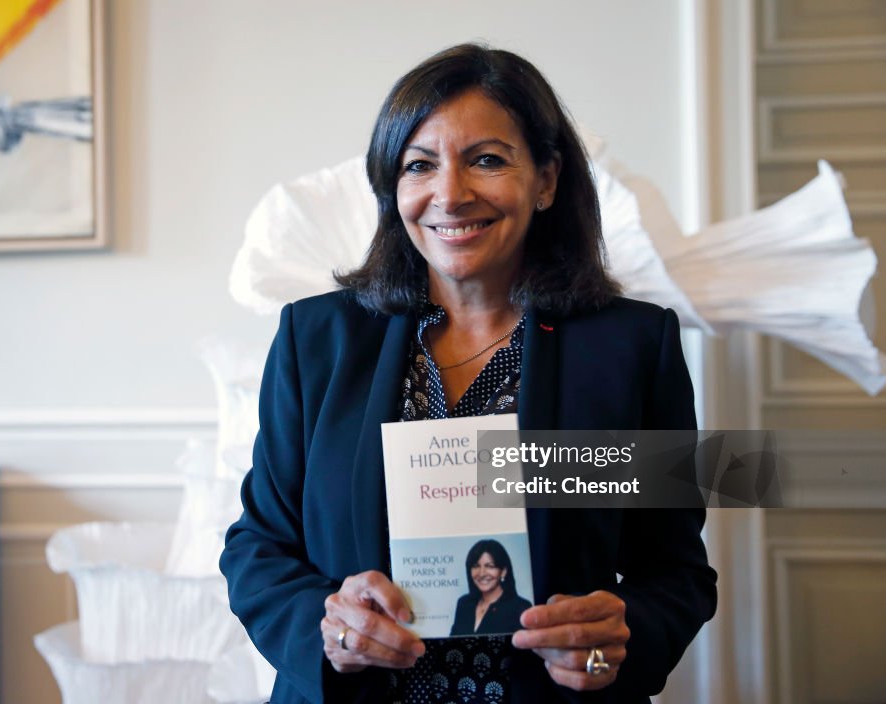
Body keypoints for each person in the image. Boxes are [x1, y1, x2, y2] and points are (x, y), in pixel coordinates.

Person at [220, 43, 717, 703]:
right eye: (419, 165)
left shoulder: (628, 347)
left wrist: (615, 645)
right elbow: (259, 545)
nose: (449, 195)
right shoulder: (317, 342)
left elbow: (674, 571)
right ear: (392, 187)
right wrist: (328, 630)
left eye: (486, 159)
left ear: (546, 180)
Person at [450, 539, 533, 637]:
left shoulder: (520, 607)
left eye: (490, 566)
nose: (481, 573)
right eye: (476, 566)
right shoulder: (464, 603)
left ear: (503, 571)